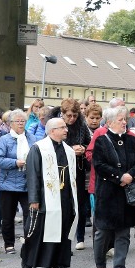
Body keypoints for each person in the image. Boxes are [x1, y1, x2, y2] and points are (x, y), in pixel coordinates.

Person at [92, 107, 135, 268]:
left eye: (125, 119)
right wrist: (119, 177)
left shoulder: (131, 140)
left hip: (126, 195)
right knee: (103, 233)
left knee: (123, 234)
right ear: (109, 122)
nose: (125, 122)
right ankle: (101, 265)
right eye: (120, 119)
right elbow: (99, 166)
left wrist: (130, 175)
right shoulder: (101, 141)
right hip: (107, 195)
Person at [21, 118, 79, 268]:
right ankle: (29, 259)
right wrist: (34, 199)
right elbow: (32, 175)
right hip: (45, 197)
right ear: (52, 131)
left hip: (65, 197)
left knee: (62, 231)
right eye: (62, 127)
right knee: (39, 230)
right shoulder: (38, 149)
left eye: (66, 127)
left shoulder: (68, 150)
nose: (66, 130)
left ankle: (58, 263)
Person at [49, 99, 92, 250]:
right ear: (62, 114)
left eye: (74, 115)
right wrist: (70, 150)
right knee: (63, 204)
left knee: (79, 204)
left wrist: (83, 147)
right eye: (69, 115)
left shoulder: (81, 125)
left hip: (78, 169)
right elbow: (49, 147)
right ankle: (62, 238)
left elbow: (90, 143)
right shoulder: (54, 124)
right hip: (59, 170)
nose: (72, 119)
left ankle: (80, 237)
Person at [0, 109, 37, 254]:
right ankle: (9, 244)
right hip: (8, 184)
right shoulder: (4, 139)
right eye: (17, 121)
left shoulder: (32, 138)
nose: (20, 123)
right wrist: (15, 162)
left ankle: (29, 242)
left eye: (23, 121)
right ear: (10, 124)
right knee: (8, 217)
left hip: (27, 183)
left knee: (29, 215)